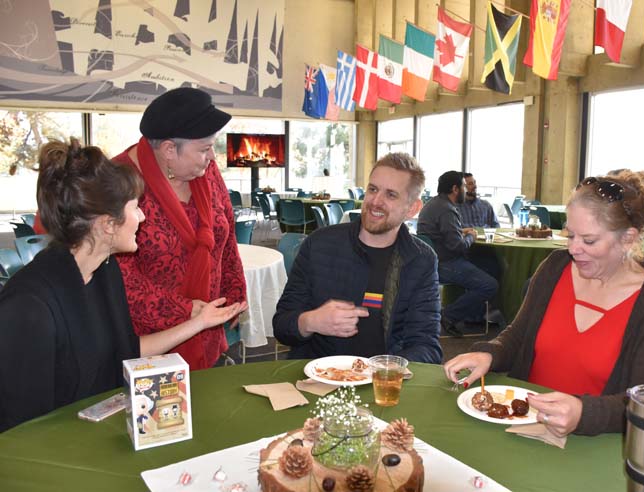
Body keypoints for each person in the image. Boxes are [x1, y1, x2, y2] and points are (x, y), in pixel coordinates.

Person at [0, 140, 246, 432]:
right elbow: (23, 429)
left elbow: (126, 350)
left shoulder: (106, 271)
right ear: (107, 224)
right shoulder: (30, 305)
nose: (142, 217)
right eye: (135, 208)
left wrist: (199, 322)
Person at [444, 171, 644, 436]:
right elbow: (518, 335)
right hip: (526, 423)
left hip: (597, 446)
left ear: (628, 238)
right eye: (570, 236)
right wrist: (490, 353)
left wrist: (585, 413)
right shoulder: (555, 267)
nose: (573, 249)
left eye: (589, 240)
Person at [113, 88, 247, 370]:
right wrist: (186, 311)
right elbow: (119, 277)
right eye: (203, 148)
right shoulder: (117, 182)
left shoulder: (205, 170)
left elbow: (226, 232)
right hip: (151, 343)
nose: (212, 155)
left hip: (206, 327)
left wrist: (234, 288)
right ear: (169, 149)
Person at [273, 153, 442, 363]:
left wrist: (384, 370)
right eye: (372, 189)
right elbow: (281, 325)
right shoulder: (319, 244)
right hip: (318, 379)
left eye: (391, 195)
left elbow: (426, 346)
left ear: (413, 208)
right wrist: (310, 321)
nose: (376, 202)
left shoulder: (421, 260)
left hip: (383, 384)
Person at [417, 171, 499, 337]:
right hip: (445, 263)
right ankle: (448, 315)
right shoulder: (447, 210)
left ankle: (474, 317)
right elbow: (458, 247)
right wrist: (471, 235)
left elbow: (440, 233)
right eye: (463, 185)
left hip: (433, 260)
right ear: (455, 189)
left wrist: (460, 231)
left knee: (488, 266)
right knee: (490, 285)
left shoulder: (434, 204)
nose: (465, 189)